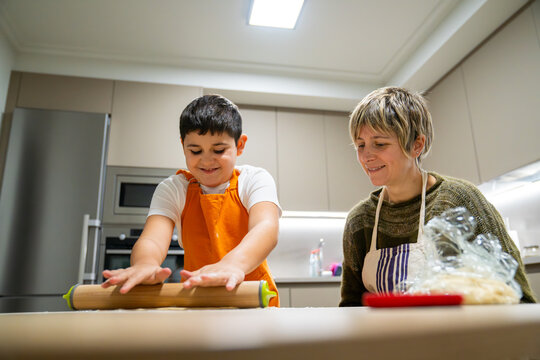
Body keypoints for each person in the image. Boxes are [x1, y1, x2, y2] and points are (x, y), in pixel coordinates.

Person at [339, 86, 536, 305]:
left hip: (454, 338)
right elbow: (351, 306)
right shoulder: (360, 220)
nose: (366, 156)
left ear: (416, 145)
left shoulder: (458, 200)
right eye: (360, 145)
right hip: (386, 339)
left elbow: (516, 292)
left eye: (380, 144)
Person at [102, 94, 282, 306]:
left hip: (254, 300)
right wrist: (145, 263)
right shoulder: (173, 189)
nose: (206, 160)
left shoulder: (254, 180)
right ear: (183, 145)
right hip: (200, 301)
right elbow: (152, 239)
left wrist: (233, 265)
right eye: (195, 150)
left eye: (219, 150)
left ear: (240, 145)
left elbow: (266, 227)